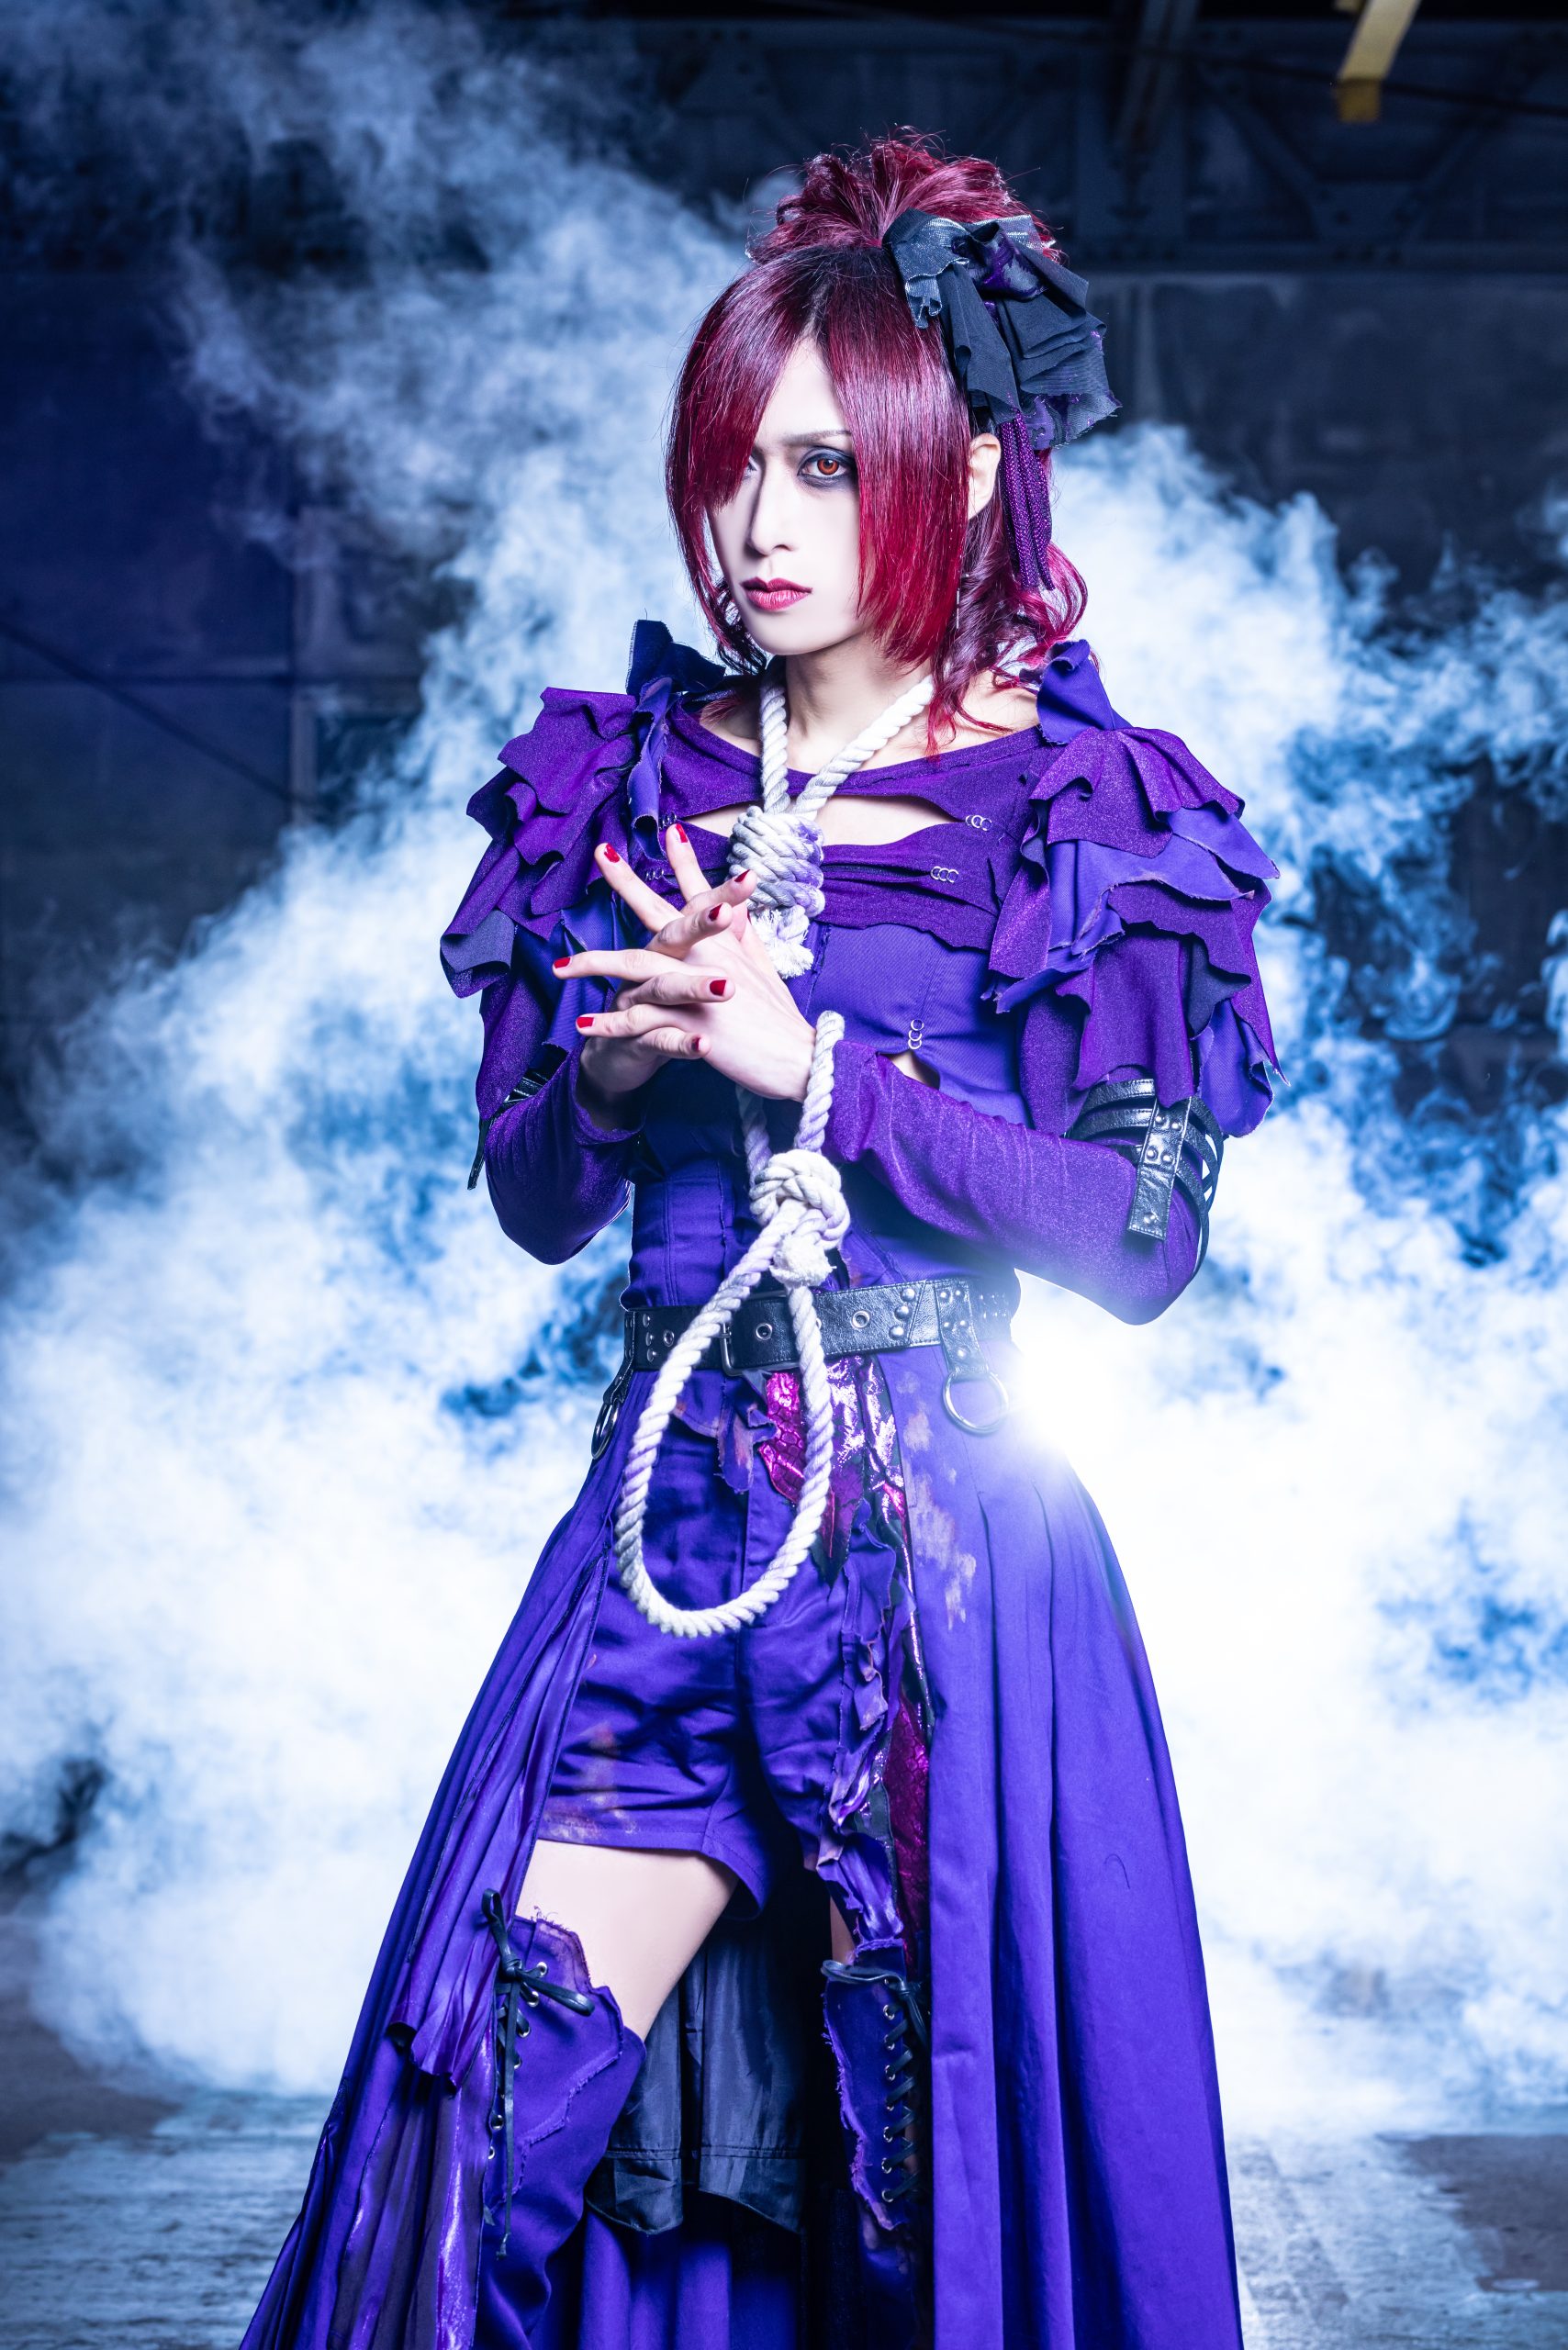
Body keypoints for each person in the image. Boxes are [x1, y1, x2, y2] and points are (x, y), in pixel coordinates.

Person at [242, 131, 1277, 2350]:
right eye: (731, 464)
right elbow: (539, 1201)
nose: (757, 523)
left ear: (965, 473)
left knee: (926, 2177)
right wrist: (613, 1080)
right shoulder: (620, 782)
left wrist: (823, 1076)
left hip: (946, 1573)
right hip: (657, 1538)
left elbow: (1136, 1240)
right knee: (474, 2107)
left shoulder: (1085, 807)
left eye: (822, 463)